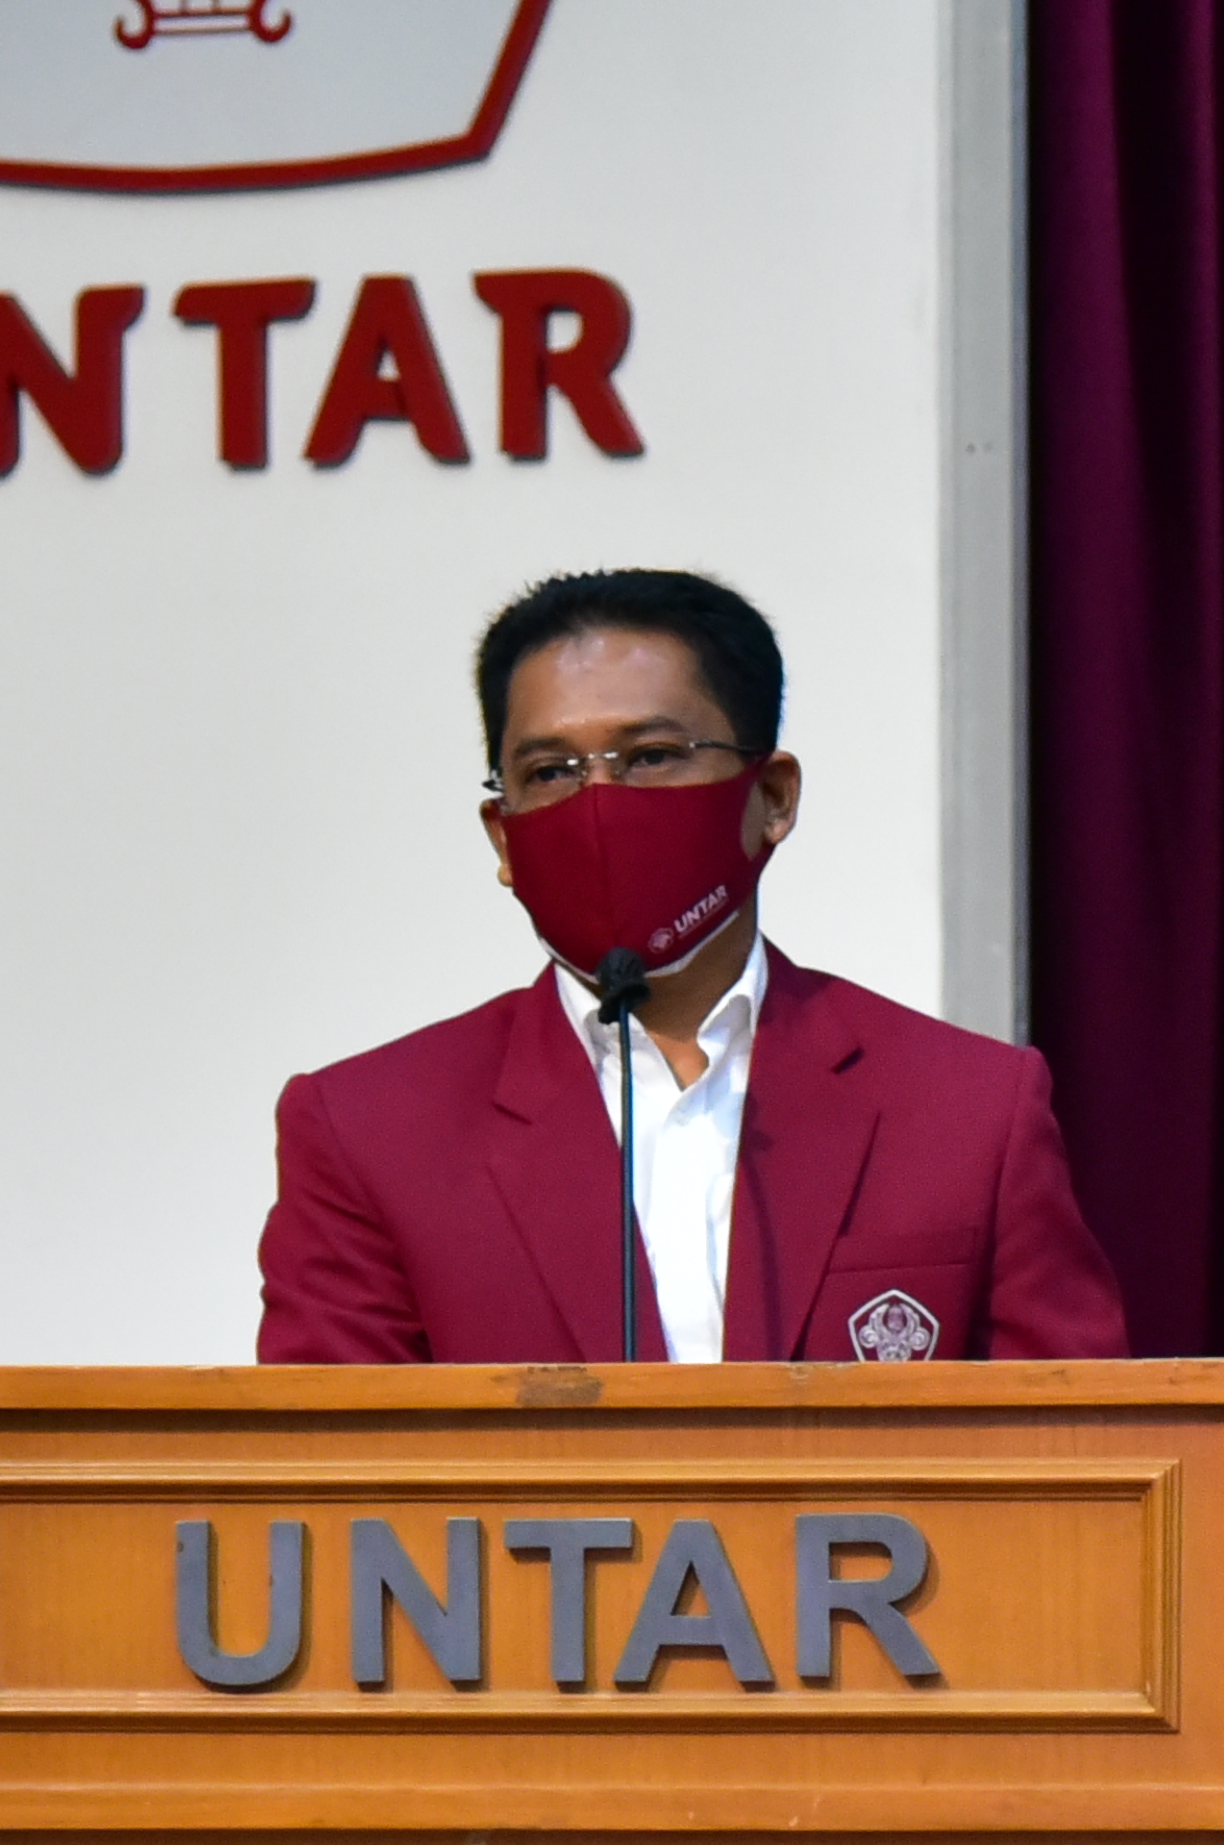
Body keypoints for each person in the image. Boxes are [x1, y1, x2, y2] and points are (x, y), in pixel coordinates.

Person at [260, 568, 1129, 1365]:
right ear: (503, 836)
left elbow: (1087, 1458)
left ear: (773, 797)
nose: (599, 804)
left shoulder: (970, 1109)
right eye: (551, 770)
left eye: (651, 757)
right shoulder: (368, 1130)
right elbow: (330, 1488)